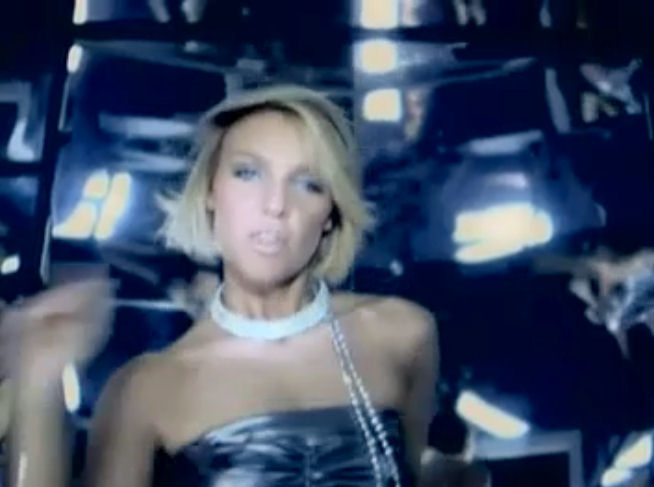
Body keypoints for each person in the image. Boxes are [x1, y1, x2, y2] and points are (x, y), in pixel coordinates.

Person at [4, 84, 439, 487]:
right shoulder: (146, 389)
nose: (275, 205)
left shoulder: (403, 334)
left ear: (331, 212)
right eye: (248, 173)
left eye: (308, 183)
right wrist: (39, 383)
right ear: (211, 191)